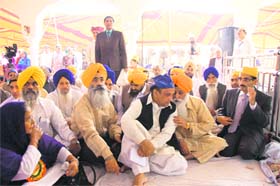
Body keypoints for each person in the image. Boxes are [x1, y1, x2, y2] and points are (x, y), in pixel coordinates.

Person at [118, 74, 188, 186]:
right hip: (138, 142)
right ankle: (139, 173)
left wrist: (151, 145)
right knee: (133, 125)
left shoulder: (172, 108)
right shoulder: (139, 103)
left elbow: (167, 132)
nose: (171, 98)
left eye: (172, 94)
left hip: (156, 145)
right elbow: (125, 121)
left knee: (180, 165)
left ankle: (135, 163)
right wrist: (143, 142)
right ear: (155, 93)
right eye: (167, 95)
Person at [0, 102, 78, 185]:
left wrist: (73, 160)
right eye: (28, 119)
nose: (33, 122)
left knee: (62, 166)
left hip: (45, 180)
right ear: (14, 123)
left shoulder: (27, 134)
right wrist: (34, 141)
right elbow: (25, 170)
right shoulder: (2, 149)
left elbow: (54, 147)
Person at [17, 66, 80, 156]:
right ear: (22, 86)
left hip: (47, 149)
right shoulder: (13, 107)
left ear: (39, 86)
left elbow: (62, 126)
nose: (30, 87)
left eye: (34, 84)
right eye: (26, 84)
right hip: (22, 151)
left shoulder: (48, 105)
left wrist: (73, 139)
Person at [71, 63, 121, 174]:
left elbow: (112, 122)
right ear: (88, 83)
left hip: (103, 137)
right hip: (86, 142)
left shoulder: (106, 100)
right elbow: (90, 134)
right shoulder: (82, 104)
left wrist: (116, 134)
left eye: (101, 79)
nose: (99, 83)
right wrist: (108, 157)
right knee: (104, 155)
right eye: (94, 80)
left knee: (123, 145)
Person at [217, 67, 272, 159]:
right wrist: (220, 117)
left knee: (247, 153)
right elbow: (222, 110)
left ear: (255, 82)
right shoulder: (230, 93)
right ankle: (238, 143)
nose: (241, 82)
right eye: (240, 79)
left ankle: (260, 140)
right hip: (233, 129)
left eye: (246, 79)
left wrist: (253, 104)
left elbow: (265, 122)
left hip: (251, 131)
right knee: (225, 151)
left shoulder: (264, 98)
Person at [171, 73, 228, 163]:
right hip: (179, 140)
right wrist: (181, 141)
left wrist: (188, 125)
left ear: (187, 91)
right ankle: (202, 152)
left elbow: (209, 124)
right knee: (169, 148)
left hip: (199, 138)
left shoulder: (197, 102)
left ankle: (192, 155)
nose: (176, 96)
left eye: (180, 93)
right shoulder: (168, 105)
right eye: (174, 93)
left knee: (220, 142)